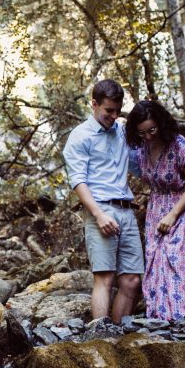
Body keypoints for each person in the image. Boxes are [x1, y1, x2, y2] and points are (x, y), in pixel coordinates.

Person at [125, 99, 185, 322]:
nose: (148, 136)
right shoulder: (142, 149)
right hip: (157, 212)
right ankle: (165, 323)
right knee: (159, 267)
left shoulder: (178, 144)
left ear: (161, 124)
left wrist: (174, 213)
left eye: (152, 130)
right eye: (142, 133)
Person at [62, 79, 144, 324]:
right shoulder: (79, 136)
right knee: (105, 278)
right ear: (94, 104)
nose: (114, 116)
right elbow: (78, 181)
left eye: (118, 111)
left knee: (131, 280)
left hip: (127, 211)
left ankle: (119, 337)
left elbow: (140, 166)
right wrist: (98, 214)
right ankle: (102, 339)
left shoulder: (122, 132)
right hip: (101, 211)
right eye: (109, 110)